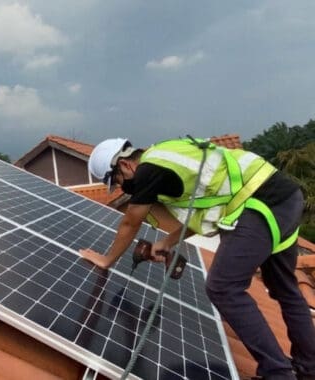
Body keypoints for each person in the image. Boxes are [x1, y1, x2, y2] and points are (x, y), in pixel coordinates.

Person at [80, 137, 315, 380]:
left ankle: (278, 373)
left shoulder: (148, 170)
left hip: (261, 202)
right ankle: (309, 368)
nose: (122, 188)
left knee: (223, 287)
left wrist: (107, 260)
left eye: (117, 181)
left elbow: (131, 221)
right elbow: (205, 210)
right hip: (284, 198)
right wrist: (167, 242)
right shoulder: (167, 160)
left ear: (126, 165)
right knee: (285, 289)